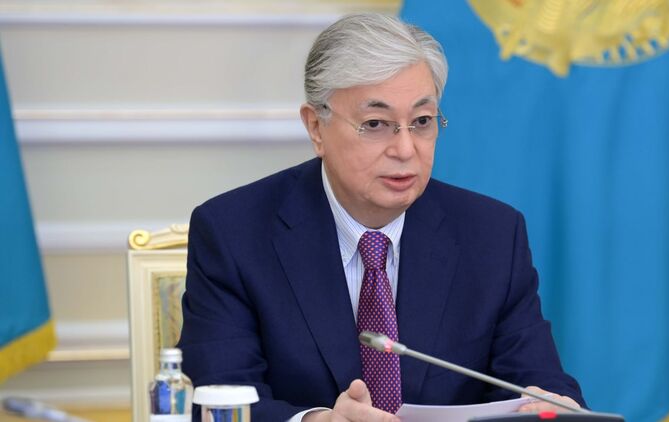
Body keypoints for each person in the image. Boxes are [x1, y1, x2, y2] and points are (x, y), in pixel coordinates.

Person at [178, 13, 585, 422]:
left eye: (422, 122)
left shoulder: (492, 235)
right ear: (316, 127)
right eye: (375, 124)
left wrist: (549, 404)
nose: (406, 149)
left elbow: (538, 382)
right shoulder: (234, 234)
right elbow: (216, 400)